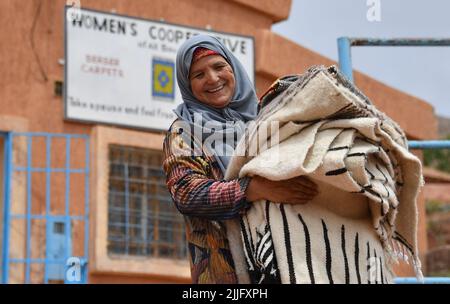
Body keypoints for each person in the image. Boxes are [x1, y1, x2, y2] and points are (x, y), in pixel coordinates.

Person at [162, 34, 318, 284]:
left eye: (219, 67)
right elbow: (186, 193)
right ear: (187, 84)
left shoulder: (266, 119)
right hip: (227, 273)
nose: (212, 79)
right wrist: (253, 189)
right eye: (198, 75)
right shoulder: (185, 131)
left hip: (289, 263)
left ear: (232, 67)